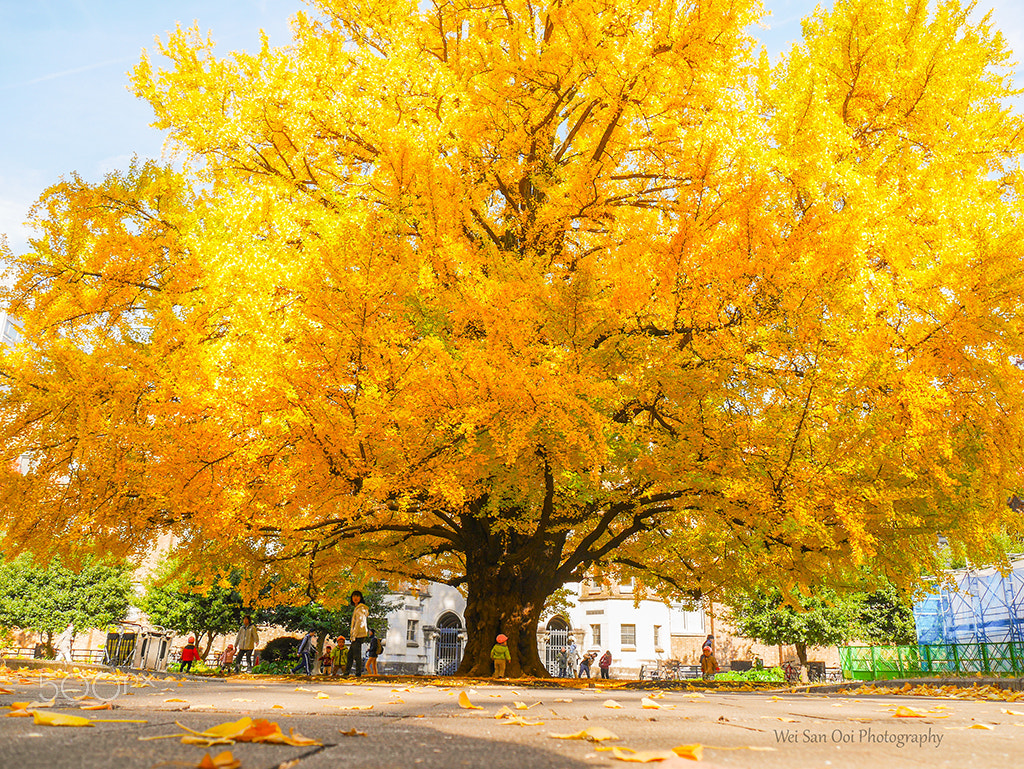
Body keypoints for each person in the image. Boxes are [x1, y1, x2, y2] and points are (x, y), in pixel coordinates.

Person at [343, 590, 370, 677]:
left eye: (357, 596)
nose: (355, 598)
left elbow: (359, 622)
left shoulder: (360, 608)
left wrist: (354, 635)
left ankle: (358, 673)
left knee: (356, 654)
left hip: (358, 634)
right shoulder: (359, 608)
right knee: (350, 654)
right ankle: (347, 672)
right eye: (354, 596)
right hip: (358, 634)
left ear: (361, 598)